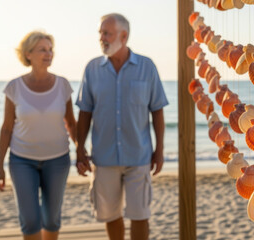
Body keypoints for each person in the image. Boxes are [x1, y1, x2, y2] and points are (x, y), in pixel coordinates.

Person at [75, 13, 168, 240]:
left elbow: (157, 110)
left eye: (107, 33)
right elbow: (85, 113)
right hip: (104, 158)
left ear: (123, 36)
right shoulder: (92, 69)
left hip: (139, 156)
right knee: (110, 215)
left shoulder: (147, 67)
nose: (102, 38)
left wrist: (160, 150)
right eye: (100, 33)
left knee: (140, 215)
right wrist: (79, 149)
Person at [0, 31, 76, 240]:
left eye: (50, 49)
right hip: (22, 161)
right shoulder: (14, 87)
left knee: (52, 218)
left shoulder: (63, 85)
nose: (48, 53)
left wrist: (82, 151)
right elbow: (6, 128)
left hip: (58, 160)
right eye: (43, 49)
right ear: (28, 54)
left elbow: (70, 122)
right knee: (30, 219)